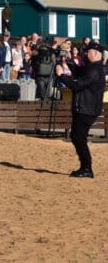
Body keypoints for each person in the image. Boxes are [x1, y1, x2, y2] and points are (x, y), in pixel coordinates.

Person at [57, 43, 105, 178]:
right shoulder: (93, 67)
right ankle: (85, 167)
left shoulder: (94, 70)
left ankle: (86, 168)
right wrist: (68, 60)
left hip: (86, 109)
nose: (85, 54)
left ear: (95, 53)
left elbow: (77, 85)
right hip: (85, 108)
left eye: (88, 52)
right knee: (77, 136)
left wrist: (61, 76)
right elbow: (79, 71)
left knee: (78, 137)